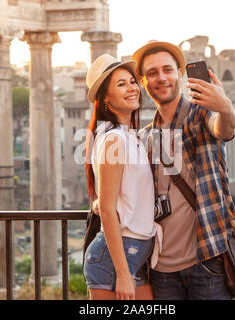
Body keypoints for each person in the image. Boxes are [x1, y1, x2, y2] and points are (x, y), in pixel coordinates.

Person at [94, 41, 235, 300]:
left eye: (167, 70)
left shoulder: (200, 115)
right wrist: (102, 203)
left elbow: (224, 129)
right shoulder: (144, 138)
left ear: (180, 74)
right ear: (143, 82)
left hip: (206, 261)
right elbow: (132, 194)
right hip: (161, 269)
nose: (161, 78)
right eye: (152, 73)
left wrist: (225, 108)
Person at [82, 53, 157, 300]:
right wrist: (123, 274)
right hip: (115, 260)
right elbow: (106, 208)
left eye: (132, 82)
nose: (132, 88)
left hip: (134, 254)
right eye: (121, 84)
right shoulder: (114, 139)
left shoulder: (125, 136)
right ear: (105, 97)